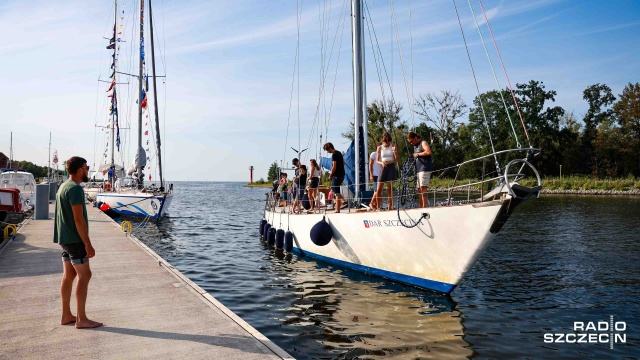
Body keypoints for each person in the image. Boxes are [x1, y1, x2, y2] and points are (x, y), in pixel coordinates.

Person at [53, 156, 103, 329]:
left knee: (70, 275)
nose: (87, 170)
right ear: (80, 169)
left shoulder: (63, 187)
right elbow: (78, 219)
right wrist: (88, 244)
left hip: (64, 238)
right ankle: (82, 319)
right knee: (85, 275)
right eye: (86, 167)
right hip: (74, 239)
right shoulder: (75, 189)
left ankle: (66, 315)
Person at [370, 132, 399, 211]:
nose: (387, 143)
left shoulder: (393, 146)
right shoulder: (380, 148)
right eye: (385, 141)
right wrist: (381, 163)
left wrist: (395, 151)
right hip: (383, 166)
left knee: (390, 190)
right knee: (379, 189)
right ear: (383, 141)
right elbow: (377, 161)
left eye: (388, 141)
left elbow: (397, 160)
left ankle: (390, 207)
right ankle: (378, 207)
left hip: (391, 166)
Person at [406, 131, 433, 207]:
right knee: (419, 190)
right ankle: (421, 207)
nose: (411, 143)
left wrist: (417, 154)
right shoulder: (415, 146)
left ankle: (425, 207)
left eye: (411, 141)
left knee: (423, 188)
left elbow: (428, 152)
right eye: (410, 142)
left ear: (415, 138)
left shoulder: (423, 143)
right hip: (418, 170)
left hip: (424, 168)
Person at [323, 142, 345, 213]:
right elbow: (343, 163)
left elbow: (334, 166)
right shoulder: (339, 153)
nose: (328, 152)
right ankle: (342, 201)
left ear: (329, 148)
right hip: (342, 174)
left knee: (336, 193)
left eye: (327, 150)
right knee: (333, 190)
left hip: (336, 175)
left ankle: (337, 209)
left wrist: (330, 175)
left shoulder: (334, 154)